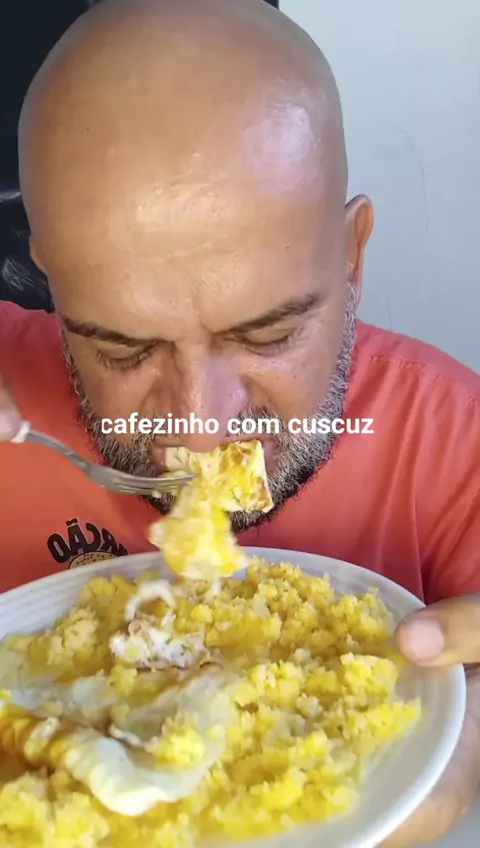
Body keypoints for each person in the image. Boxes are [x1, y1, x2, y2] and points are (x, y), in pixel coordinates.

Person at [0, 0, 479, 843]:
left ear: (353, 258)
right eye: (122, 347)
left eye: (267, 335)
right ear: (53, 281)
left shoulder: (455, 441)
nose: (199, 427)